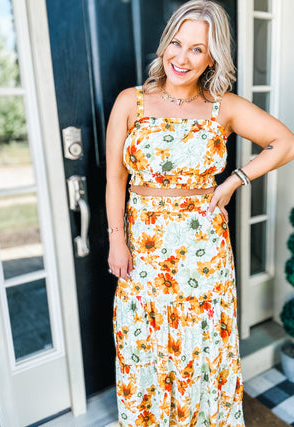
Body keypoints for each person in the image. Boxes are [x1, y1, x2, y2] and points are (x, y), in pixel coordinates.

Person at [105, 0, 294, 425]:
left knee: (202, 354)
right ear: (164, 45)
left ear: (212, 57)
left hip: (202, 257)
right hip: (144, 258)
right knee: (143, 351)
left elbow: (285, 141)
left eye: (197, 49)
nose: (182, 57)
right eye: (177, 43)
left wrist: (233, 181)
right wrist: (118, 239)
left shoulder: (221, 106)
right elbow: (115, 178)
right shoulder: (130, 101)